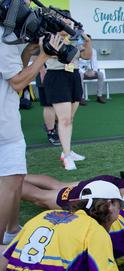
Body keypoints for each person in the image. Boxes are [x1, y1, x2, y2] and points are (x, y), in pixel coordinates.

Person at [1, 19, 63, 248]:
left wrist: (28, 51)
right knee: (8, 183)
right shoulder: (3, 39)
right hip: (4, 126)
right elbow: (17, 81)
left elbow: (12, 71)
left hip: (6, 123)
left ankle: (12, 230)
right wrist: (43, 57)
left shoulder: (5, 40)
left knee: (15, 178)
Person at [43, 13, 92, 170]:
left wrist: (87, 41)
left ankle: (67, 152)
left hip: (74, 76)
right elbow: (53, 53)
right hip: (57, 77)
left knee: (69, 119)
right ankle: (67, 156)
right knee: (64, 119)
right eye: (63, 22)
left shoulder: (75, 37)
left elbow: (86, 56)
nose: (68, 24)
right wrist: (63, 35)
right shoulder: (48, 36)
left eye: (68, 22)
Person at [20, 164, 124, 210]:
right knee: (41, 198)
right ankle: (9, 181)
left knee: (58, 186)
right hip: (104, 191)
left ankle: (13, 176)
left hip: (108, 184)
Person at [78, 35, 106, 104]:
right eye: (86, 41)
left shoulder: (93, 51)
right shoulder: (78, 50)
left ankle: (99, 96)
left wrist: (94, 71)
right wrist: (84, 72)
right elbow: (76, 64)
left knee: (100, 74)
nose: (87, 42)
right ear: (82, 41)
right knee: (80, 75)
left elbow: (94, 62)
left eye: (89, 41)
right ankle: (81, 97)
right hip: (81, 72)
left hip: (91, 72)